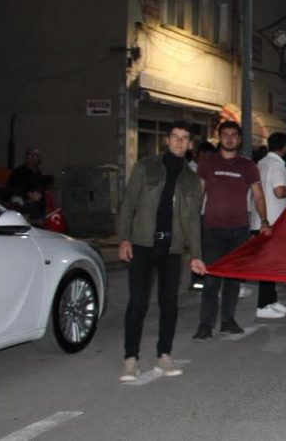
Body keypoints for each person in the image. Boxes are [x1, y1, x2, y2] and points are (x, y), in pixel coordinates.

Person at [115, 121, 203, 381]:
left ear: (189, 144)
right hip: (142, 244)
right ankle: (130, 360)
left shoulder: (192, 180)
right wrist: (124, 238)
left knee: (169, 304)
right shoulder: (146, 167)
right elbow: (129, 203)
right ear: (167, 140)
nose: (179, 142)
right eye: (175, 137)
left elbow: (193, 220)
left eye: (184, 138)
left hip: (172, 248)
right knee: (138, 303)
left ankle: (164, 356)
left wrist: (196, 254)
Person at [191, 121, 271, 341]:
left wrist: (264, 221)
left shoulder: (248, 166)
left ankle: (228, 321)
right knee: (211, 280)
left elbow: (258, 195)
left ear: (239, 138)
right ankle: (205, 324)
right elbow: (198, 195)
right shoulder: (208, 163)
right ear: (219, 137)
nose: (229, 138)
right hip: (212, 229)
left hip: (239, 230)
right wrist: (191, 225)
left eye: (233, 135)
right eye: (225, 134)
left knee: (233, 278)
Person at [251, 132, 286, 319]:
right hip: (272, 220)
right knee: (269, 264)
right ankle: (263, 305)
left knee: (270, 262)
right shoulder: (277, 165)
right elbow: (279, 192)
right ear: (284, 147)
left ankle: (271, 300)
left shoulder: (261, 163)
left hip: (260, 219)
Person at [8, 147, 46, 215]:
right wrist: (29, 195)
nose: (31, 157)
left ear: (39, 159)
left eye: (35, 155)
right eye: (29, 155)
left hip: (39, 206)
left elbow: (41, 188)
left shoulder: (38, 173)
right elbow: (13, 189)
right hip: (25, 206)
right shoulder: (18, 172)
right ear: (26, 157)